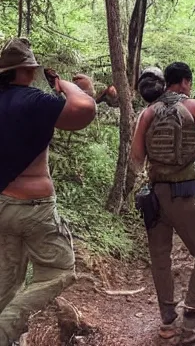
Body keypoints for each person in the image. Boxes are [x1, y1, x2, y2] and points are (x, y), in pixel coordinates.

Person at [0, 38, 97, 346]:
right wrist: (66, 84)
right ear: (28, 70)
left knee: (5, 281)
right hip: (35, 206)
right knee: (61, 270)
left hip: (2, 204)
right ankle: (6, 325)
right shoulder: (35, 101)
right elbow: (83, 110)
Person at [130, 62, 195, 344]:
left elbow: (136, 156)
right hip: (184, 196)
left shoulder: (147, 113)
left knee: (160, 258)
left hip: (155, 197)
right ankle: (192, 319)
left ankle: (167, 322)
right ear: (185, 82)